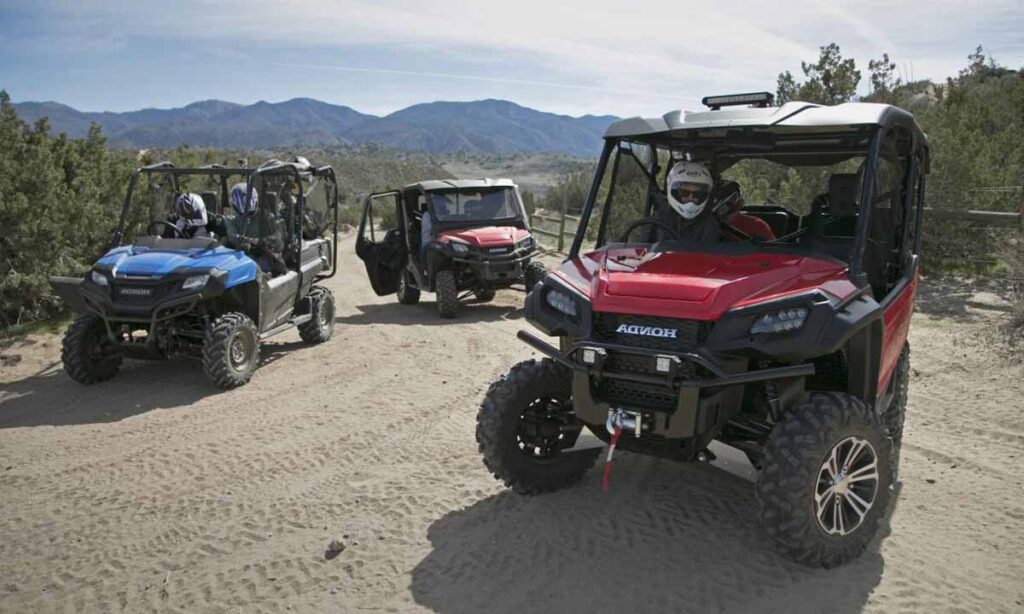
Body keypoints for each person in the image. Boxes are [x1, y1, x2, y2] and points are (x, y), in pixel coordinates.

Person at [654, 161, 721, 242]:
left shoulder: (709, 224)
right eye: (684, 193)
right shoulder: (659, 218)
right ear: (673, 192)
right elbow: (641, 248)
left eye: (697, 194)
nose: (690, 198)